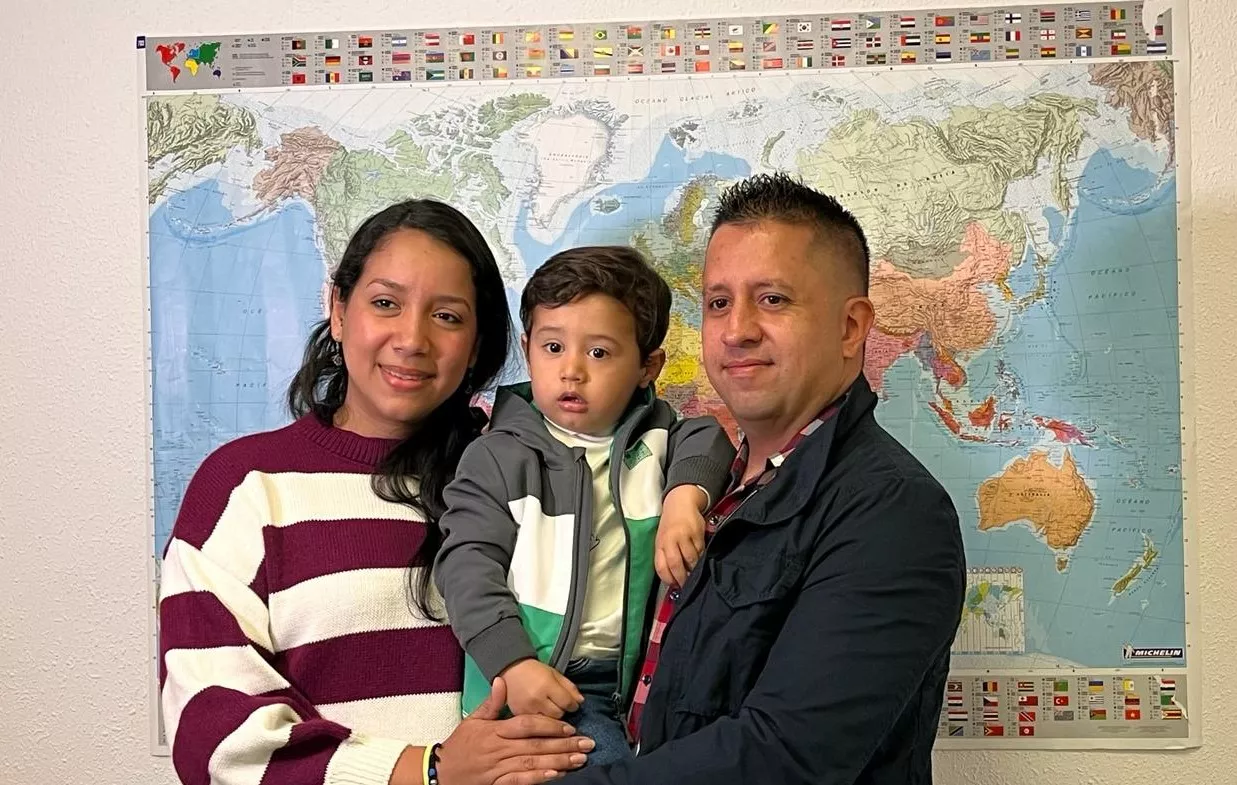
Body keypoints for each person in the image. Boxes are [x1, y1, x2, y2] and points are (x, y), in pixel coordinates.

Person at [158, 199, 595, 785]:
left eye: (447, 316)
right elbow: (211, 734)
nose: (412, 339)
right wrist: (427, 771)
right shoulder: (245, 486)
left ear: (476, 342)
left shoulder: (525, 478)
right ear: (338, 309)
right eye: (385, 303)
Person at [560, 173, 967, 784]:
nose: (736, 330)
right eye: (718, 302)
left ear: (852, 327)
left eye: (773, 299)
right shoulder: (706, 488)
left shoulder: (894, 512)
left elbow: (785, 757)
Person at [434, 246, 736, 767]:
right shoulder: (499, 456)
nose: (571, 370)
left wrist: (686, 498)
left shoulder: (657, 441)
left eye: (599, 353)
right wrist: (514, 665)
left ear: (648, 366)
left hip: (638, 681)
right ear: (527, 349)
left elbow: (709, 439)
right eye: (553, 347)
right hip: (538, 679)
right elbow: (466, 568)